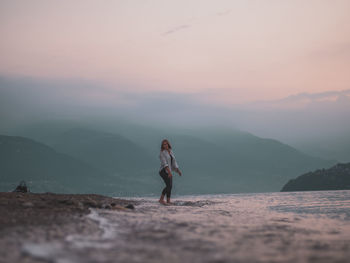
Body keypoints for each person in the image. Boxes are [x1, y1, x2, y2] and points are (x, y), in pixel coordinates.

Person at [159, 139, 182, 205]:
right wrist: (169, 172)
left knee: (170, 186)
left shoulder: (171, 151)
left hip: (169, 171)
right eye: (163, 144)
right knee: (168, 185)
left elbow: (174, 163)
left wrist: (178, 171)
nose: (165, 145)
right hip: (163, 171)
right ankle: (161, 199)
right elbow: (164, 163)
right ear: (162, 146)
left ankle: (168, 201)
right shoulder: (162, 153)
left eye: (166, 144)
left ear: (168, 144)